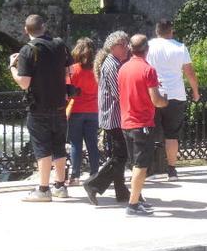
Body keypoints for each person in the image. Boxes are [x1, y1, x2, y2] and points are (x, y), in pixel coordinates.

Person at [9, 14, 73, 202]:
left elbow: (24, 83)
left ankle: (43, 189)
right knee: (59, 146)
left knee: (43, 148)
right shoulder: (60, 44)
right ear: (44, 27)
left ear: (25, 30)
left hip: (39, 107)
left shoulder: (28, 51)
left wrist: (12, 67)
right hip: (60, 105)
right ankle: (60, 186)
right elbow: (68, 72)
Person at [118, 34, 168, 216]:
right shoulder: (148, 70)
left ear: (131, 49)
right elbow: (157, 101)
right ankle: (132, 205)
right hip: (143, 123)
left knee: (134, 163)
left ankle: (137, 199)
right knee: (141, 165)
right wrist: (165, 100)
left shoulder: (123, 68)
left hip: (126, 122)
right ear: (147, 49)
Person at [145, 19, 200, 182]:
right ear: (171, 30)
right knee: (172, 135)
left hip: (154, 93)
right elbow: (190, 73)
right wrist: (195, 92)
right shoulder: (180, 48)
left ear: (157, 31)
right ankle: (172, 170)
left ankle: (147, 169)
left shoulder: (149, 46)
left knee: (148, 133)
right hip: (176, 94)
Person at [84, 31, 132, 204]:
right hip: (114, 117)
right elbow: (118, 93)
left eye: (127, 43)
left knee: (119, 155)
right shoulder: (112, 65)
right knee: (120, 156)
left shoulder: (115, 63)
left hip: (114, 117)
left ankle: (121, 191)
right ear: (114, 47)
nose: (127, 47)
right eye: (124, 44)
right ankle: (94, 184)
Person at [66, 38, 100, 185]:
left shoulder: (72, 70)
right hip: (93, 110)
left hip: (76, 110)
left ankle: (75, 176)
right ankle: (95, 174)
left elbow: (67, 92)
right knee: (92, 144)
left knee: (76, 144)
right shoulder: (97, 71)